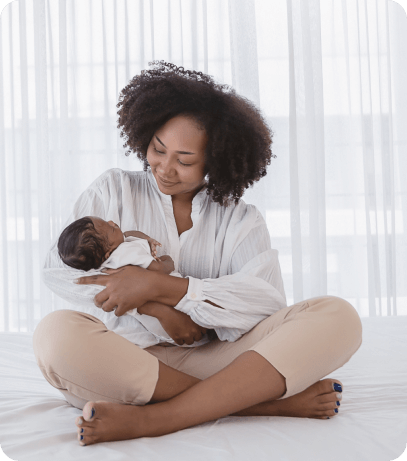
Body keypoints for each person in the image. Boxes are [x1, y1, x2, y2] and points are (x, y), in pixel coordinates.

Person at [33, 60, 362, 446]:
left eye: (185, 160)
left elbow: (265, 305)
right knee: (55, 336)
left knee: (337, 316)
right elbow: (60, 271)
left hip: (219, 357)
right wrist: (151, 306)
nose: (165, 168)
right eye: (158, 149)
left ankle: (156, 419)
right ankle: (254, 402)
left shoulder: (242, 220)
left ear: (215, 162)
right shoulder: (112, 190)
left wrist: (165, 287)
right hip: (125, 359)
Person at [56, 215, 209, 346]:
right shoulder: (127, 251)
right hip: (174, 306)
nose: (112, 222)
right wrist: (168, 261)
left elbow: (128, 234)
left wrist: (145, 239)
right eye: (112, 229)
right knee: (203, 311)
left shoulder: (103, 264)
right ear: (109, 251)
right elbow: (160, 270)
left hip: (150, 324)